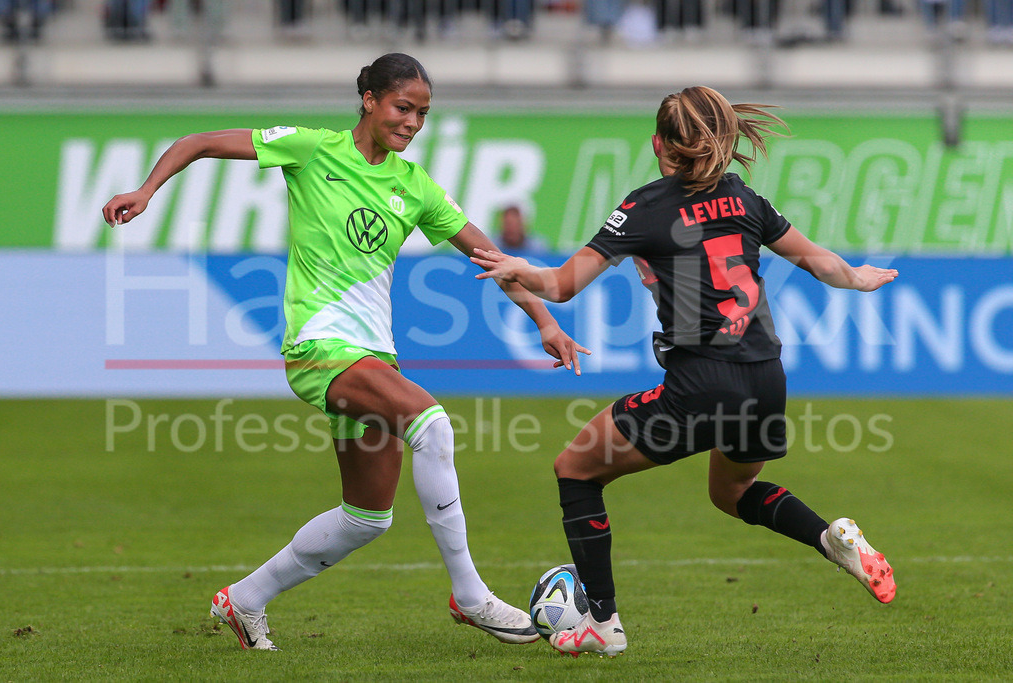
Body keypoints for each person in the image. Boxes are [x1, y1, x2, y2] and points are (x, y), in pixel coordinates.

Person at [102, 53, 588, 651]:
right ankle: (471, 597)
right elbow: (201, 142)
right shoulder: (310, 149)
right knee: (431, 426)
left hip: (373, 359)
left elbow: (492, 260)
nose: (412, 122)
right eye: (403, 107)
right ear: (369, 100)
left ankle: (244, 599)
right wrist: (147, 190)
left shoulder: (416, 187)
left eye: (423, 114)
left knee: (366, 517)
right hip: (318, 348)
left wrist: (545, 320)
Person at [472, 85, 899, 657]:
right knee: (735, 491)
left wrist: (525, 269)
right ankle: (831, 539)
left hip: (703, 382)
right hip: (767, 377)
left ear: (658, 144)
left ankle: (603, 623)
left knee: (575, 468)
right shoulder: (743, 197)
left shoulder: (645, 207)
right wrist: (859, 277)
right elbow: (821, 263)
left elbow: (564, 286)